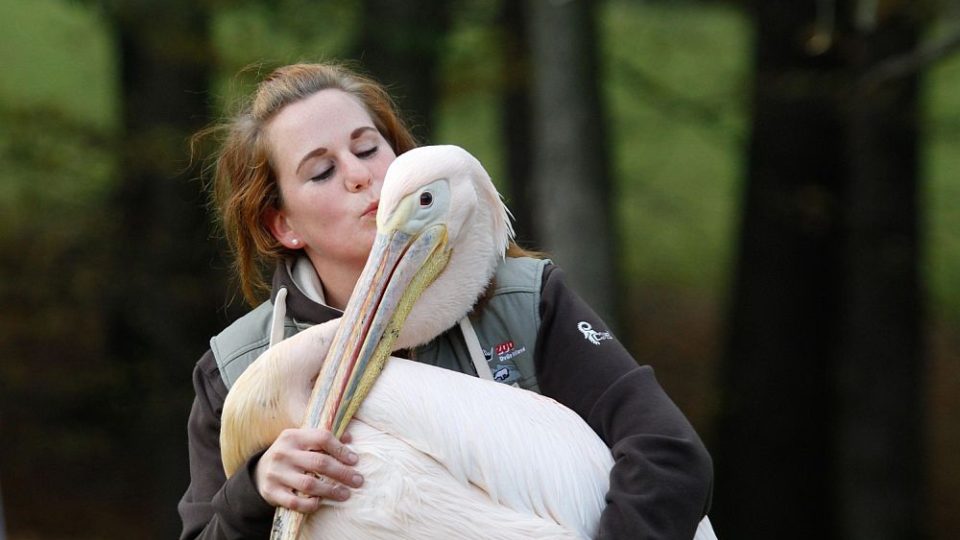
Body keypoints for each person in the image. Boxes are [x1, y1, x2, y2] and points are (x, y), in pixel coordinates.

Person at [178, 61, 713, 539]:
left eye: (367, 149)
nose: (362, 176)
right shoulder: (236, 368)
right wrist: (255, 490)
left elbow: (667, 454)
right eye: (323, 171)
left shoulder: (522, 305)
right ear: (284, 224)